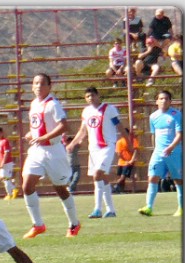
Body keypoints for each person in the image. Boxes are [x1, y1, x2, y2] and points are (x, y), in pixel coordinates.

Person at [21, 73, 81, 239]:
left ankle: (74, 223)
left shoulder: (53, 104)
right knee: (27, 185)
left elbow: (64, 126)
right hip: (37, 150)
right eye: (35, 83)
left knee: (60, 188)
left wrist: (45, 137)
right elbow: (39, 126)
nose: (38, 86)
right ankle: (38, 225)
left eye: (42, 83)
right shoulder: (34, 103)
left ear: (49, 86)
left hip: (54, 151)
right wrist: (31, 134)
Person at [67, 87, 129, 219]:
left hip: (107, 146)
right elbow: (82, 130)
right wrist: (73, 143)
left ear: (98, 95)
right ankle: (111, 210)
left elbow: (119, 126)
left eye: (93, 95)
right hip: (93, 149)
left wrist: (127, 140)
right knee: (103, 178)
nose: (91, 98)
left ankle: (97, 209)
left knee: (97, 174)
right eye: (88, 96)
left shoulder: (109, 109)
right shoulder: (86, 111)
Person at [138, 90, 182, 217]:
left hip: (174, 152)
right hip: (159, 153)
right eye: (161, 98)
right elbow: (154, 135)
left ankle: (181, 208)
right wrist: (155, 149)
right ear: (156, 101)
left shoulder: (176, 114)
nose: (164, 101)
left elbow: (180, 134)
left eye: (166, 99)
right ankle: (149, 207)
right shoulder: (153, 116)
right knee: (152, 177)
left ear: (170, 101)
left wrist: (171, 147)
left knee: (179, 180)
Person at [0, 127, 18, 200]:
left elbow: (6, 153)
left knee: (6, 178)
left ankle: (10, 194)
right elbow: (1, 154)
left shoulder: (5, 141)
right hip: (4, 163)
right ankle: (14, 189)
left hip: (7, 163)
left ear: (2, 133)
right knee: (2, 177)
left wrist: (3, 162)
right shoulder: (0, 142)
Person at [113, 128, 139, 194]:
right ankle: (115, 188)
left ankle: (120, 190)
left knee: (123, 178)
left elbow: (136, 150)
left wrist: (132, 160)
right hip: (122, 163)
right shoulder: (119, 142)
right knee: (122, 178)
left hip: (128, 163)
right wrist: (127, 161)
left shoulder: (133, 140)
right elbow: (119, 153)